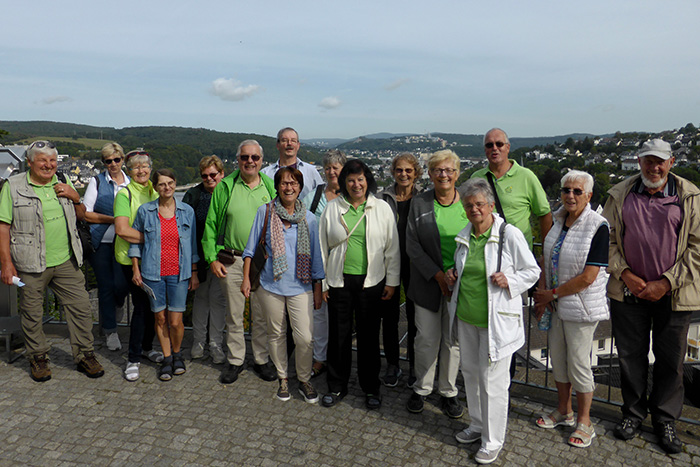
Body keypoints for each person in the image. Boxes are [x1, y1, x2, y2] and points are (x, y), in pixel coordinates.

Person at [602, 139, 700, 454]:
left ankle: (665, 421)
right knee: (630, 358)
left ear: (671, 162)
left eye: (660, 162)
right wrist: (626, 275)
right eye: (648, 161)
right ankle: (632, 414)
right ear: (639, 161)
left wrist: (666, 282)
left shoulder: (690, 196)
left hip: (674, 295)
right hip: (629, 293)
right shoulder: (620, 194)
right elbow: (606, 241)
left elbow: (698, 249)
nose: (653, 168)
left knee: (670, 363)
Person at [447, 178, 540, 465]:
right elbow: (467, 270)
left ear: (491, 205)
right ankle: (477, 425)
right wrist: (453, 272)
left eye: (479, 204)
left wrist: (509, 279)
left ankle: (493, 440)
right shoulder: (465, 235)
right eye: (469, 205)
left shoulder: (508, 235)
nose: (474, 209)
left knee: (494, 383)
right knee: (472, 376)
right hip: (467, 317)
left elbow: (532, 271)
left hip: (496, 323)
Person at [0, 140, 104, 381]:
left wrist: (75, 197)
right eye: (42, 160)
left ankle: (85, 355)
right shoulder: (13, 186)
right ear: (29, 162)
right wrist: (6, 264)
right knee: (32, 311)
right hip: (29, 267)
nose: (48, 165)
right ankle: (38, 357)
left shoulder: (63, 182)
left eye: (52, 161)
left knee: (81, 307)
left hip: (66, 261)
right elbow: (3, 227)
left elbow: (82, 217)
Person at [533, 170, 610, 448]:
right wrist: (543, 296)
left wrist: (550, 294)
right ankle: (564, 411)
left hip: (580, 308)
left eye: (578, 191)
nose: (570, 195)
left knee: (579, 364)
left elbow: (589, 277)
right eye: (567, 190)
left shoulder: (597, 226)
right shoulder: (557, 220)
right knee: (560, 361)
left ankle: (585, 421)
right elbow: (546, 258)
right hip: (555, 305)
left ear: (589, 196)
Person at [318, 159, 400, 410]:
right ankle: (337, 385)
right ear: (344, 182)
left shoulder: (382, 208)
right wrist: (321, 284)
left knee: (368, 337)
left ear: (368, 181)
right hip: (338, 281)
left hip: (372, 281)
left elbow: (392, 248)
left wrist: (393, 282)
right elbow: (322, 248)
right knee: (339, 336)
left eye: (361, 179)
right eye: (351, 180)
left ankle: (370, 387)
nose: (356, 184)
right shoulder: (332, 208)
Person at [241, 167, 325, 402]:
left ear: (300, 187)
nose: (289, 187)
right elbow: (250, 249)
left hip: (302, 286)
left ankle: (304, 378)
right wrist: (246, 278)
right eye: (284, 183)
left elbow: (316, 256)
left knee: (304, 338)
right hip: (271, 285)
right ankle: (283, 377)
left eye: (294, 183)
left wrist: (318, 288)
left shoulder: (308, 217)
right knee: (276, 333)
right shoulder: (265, 212)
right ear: (277, 187)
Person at [202, 140, 277, 385]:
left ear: (261, 160)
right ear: (238, 160)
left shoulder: (269, 186)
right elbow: (211, 225)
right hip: (232, 259)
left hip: (262, 260)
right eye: (245, 157)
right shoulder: (225, 186)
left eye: (255, 157)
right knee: (234, 314)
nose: (250, 162)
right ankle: (235, 360)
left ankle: (261, 359)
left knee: (261, 313)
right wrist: (212, 258)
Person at [405, 150, 467, 419]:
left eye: (449, 170)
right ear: (429, 174)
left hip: (461, 285)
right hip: (427, 282)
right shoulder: (419, 203)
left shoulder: (468, 201)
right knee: (426, 340)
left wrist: (455, 275)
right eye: (438, 170)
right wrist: (438, 275)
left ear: (457, 174)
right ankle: (422, 388)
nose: (444, 175)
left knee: (452, 341)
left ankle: (448, 391)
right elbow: (412, 245)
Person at [129, 169, 199, 381]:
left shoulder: (187, 211)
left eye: (170, 183)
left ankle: (177, 353)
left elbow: (193, 245)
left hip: (179, 274)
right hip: (153, 274)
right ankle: (167, 358)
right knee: (160, 318)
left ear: (175, 184)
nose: (166, 187)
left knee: (176, 321)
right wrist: (135, 268)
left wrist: (194, 273)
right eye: (162, 184)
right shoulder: (145, 211)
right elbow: (135, 243)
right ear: (156, 187)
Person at [114, 149, 164, 382]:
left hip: (153, 259)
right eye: (136, 167)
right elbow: (122, 229)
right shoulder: (125, 195)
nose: (142, 170)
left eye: (145, 166)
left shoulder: (157, 191)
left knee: (153, 308)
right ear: (129, 171)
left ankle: (146, 348)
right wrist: (154, 237)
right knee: (142, 309)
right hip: (130, 259)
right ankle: (133, 357)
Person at [302, 149, 346, 378]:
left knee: (340, 314)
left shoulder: (351, 195)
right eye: (327, 168)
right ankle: (320, 358)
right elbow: (300, 221)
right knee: (318, 313)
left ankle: (338, 357)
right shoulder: (314, 196)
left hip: (343, 264)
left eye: (335, 167)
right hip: (316, 264)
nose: (331, 172)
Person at [379, 152, 422, 388]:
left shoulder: (424, 199)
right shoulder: (382, 198)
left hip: (416, 266)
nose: (403, 174)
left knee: (416, 319)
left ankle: (415, 367)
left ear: (416, 173)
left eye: (408, 170)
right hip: (388, 265)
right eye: (399, 170)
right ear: (393, 172)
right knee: (390, 317)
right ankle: (393, 365)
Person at [471, 128, 552, 249]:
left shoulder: (526, 176)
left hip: (518, 252)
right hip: (485, 252)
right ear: (485, 150)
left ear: (508, 148)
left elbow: (545, 214)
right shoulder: (476, 178)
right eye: (489, 145)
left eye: (499, 144)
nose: (494, 148)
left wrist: (546, 252)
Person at [83, 142, 130, 351]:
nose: (113, 164)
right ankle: (110, 331)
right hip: (101, 243)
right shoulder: (97, 182)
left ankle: (119, 304)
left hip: (124, 242)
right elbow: (86, 213)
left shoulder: (131, 184)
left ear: (122, 160)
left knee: (121, 284)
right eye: (108, 161)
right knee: (105, 286)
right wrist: (113, 219)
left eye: (116, 160)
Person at [183, 155, 227, 364]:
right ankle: (199, 342)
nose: (209, 179)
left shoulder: (229, 192)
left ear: (221, 173)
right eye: (205, 176)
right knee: (201, 300)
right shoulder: (193, 195)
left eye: (213, 174)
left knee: (218, 301)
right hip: (199, 257)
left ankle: (216, 343)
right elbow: (185, 229)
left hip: (223, 257)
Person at [261, 127, 324, 200]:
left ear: (298, 145)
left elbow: (322, 197)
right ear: (278, 145)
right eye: (284, 141)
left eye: (293, 141)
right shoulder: (266, 174)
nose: (289, 143)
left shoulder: (311, 171)